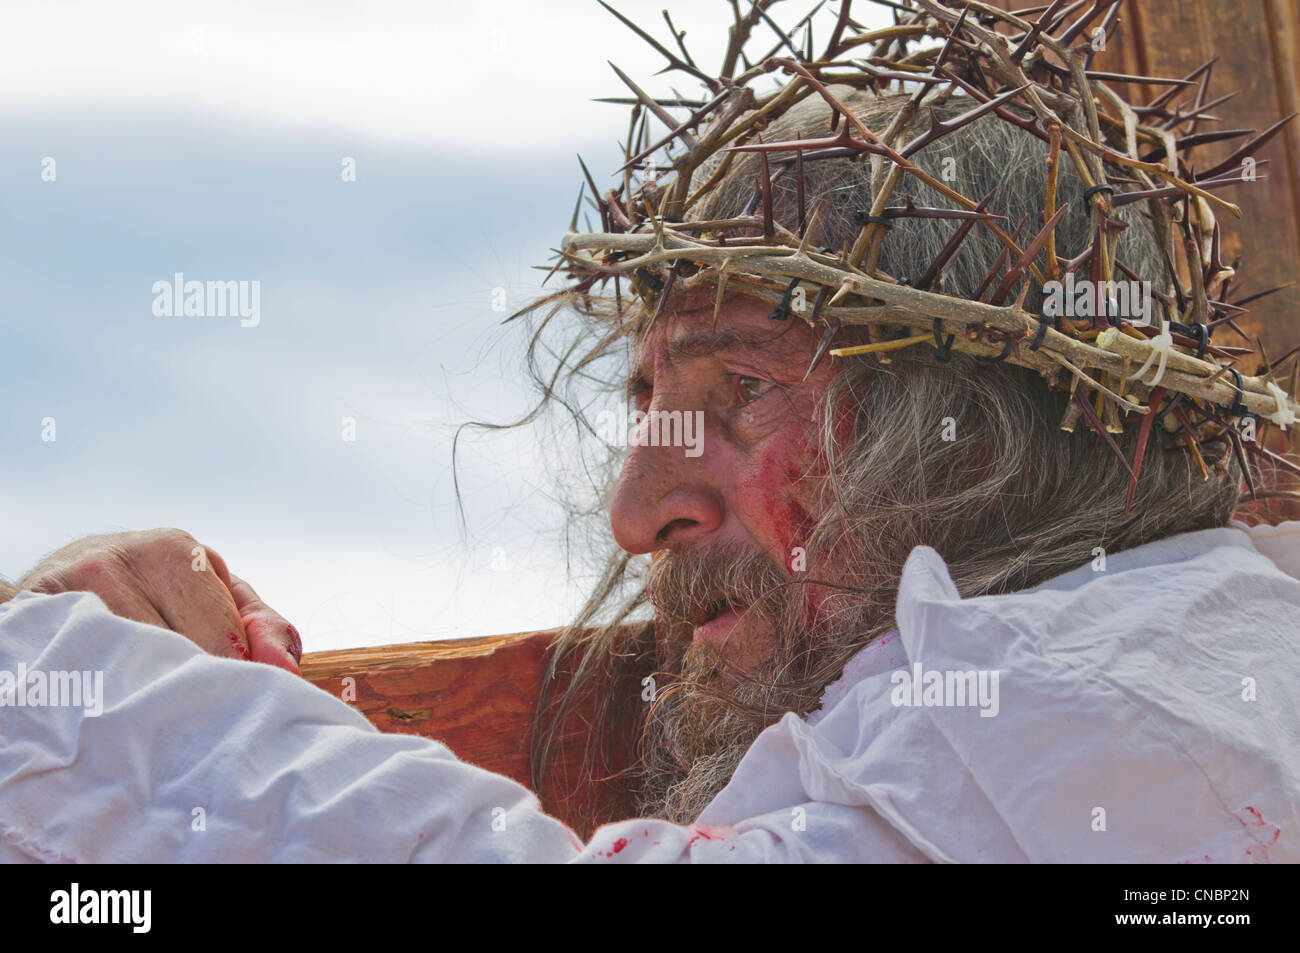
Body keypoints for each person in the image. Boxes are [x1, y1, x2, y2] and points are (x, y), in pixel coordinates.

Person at [3, 0, 1300, 862]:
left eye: (740, 391)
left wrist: (58, 679)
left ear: (991, 432)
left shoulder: (1116, 703)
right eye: (647, 408)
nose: (636, 513)